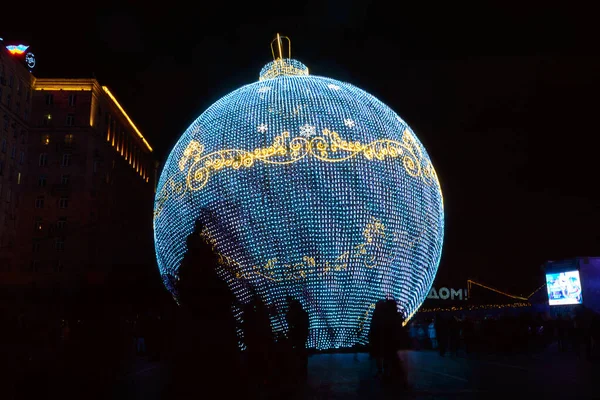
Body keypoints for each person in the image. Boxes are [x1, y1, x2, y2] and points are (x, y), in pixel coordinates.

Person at [285, 297, 310, 385]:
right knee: (301, 351)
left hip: (297, 335)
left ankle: (298, 370)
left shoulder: (297, 314)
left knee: (298, 352)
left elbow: (290, 321)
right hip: (301, 335)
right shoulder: (304, 314)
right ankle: (301, 370)